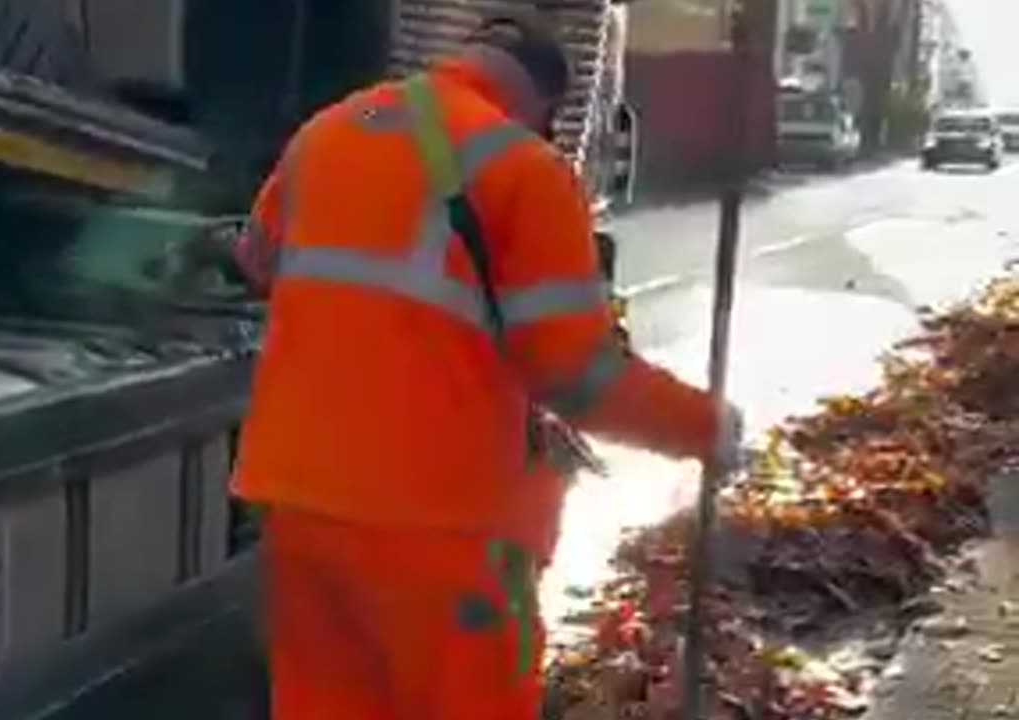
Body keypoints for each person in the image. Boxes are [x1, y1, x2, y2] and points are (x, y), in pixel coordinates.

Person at [230, 10, 744, 719]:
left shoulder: (329, 131)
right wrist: (708, 429)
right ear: (544, 107)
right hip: (441, 531)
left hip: (297, 503)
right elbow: (579, 377)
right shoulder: (523, 171)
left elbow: (257, 259)